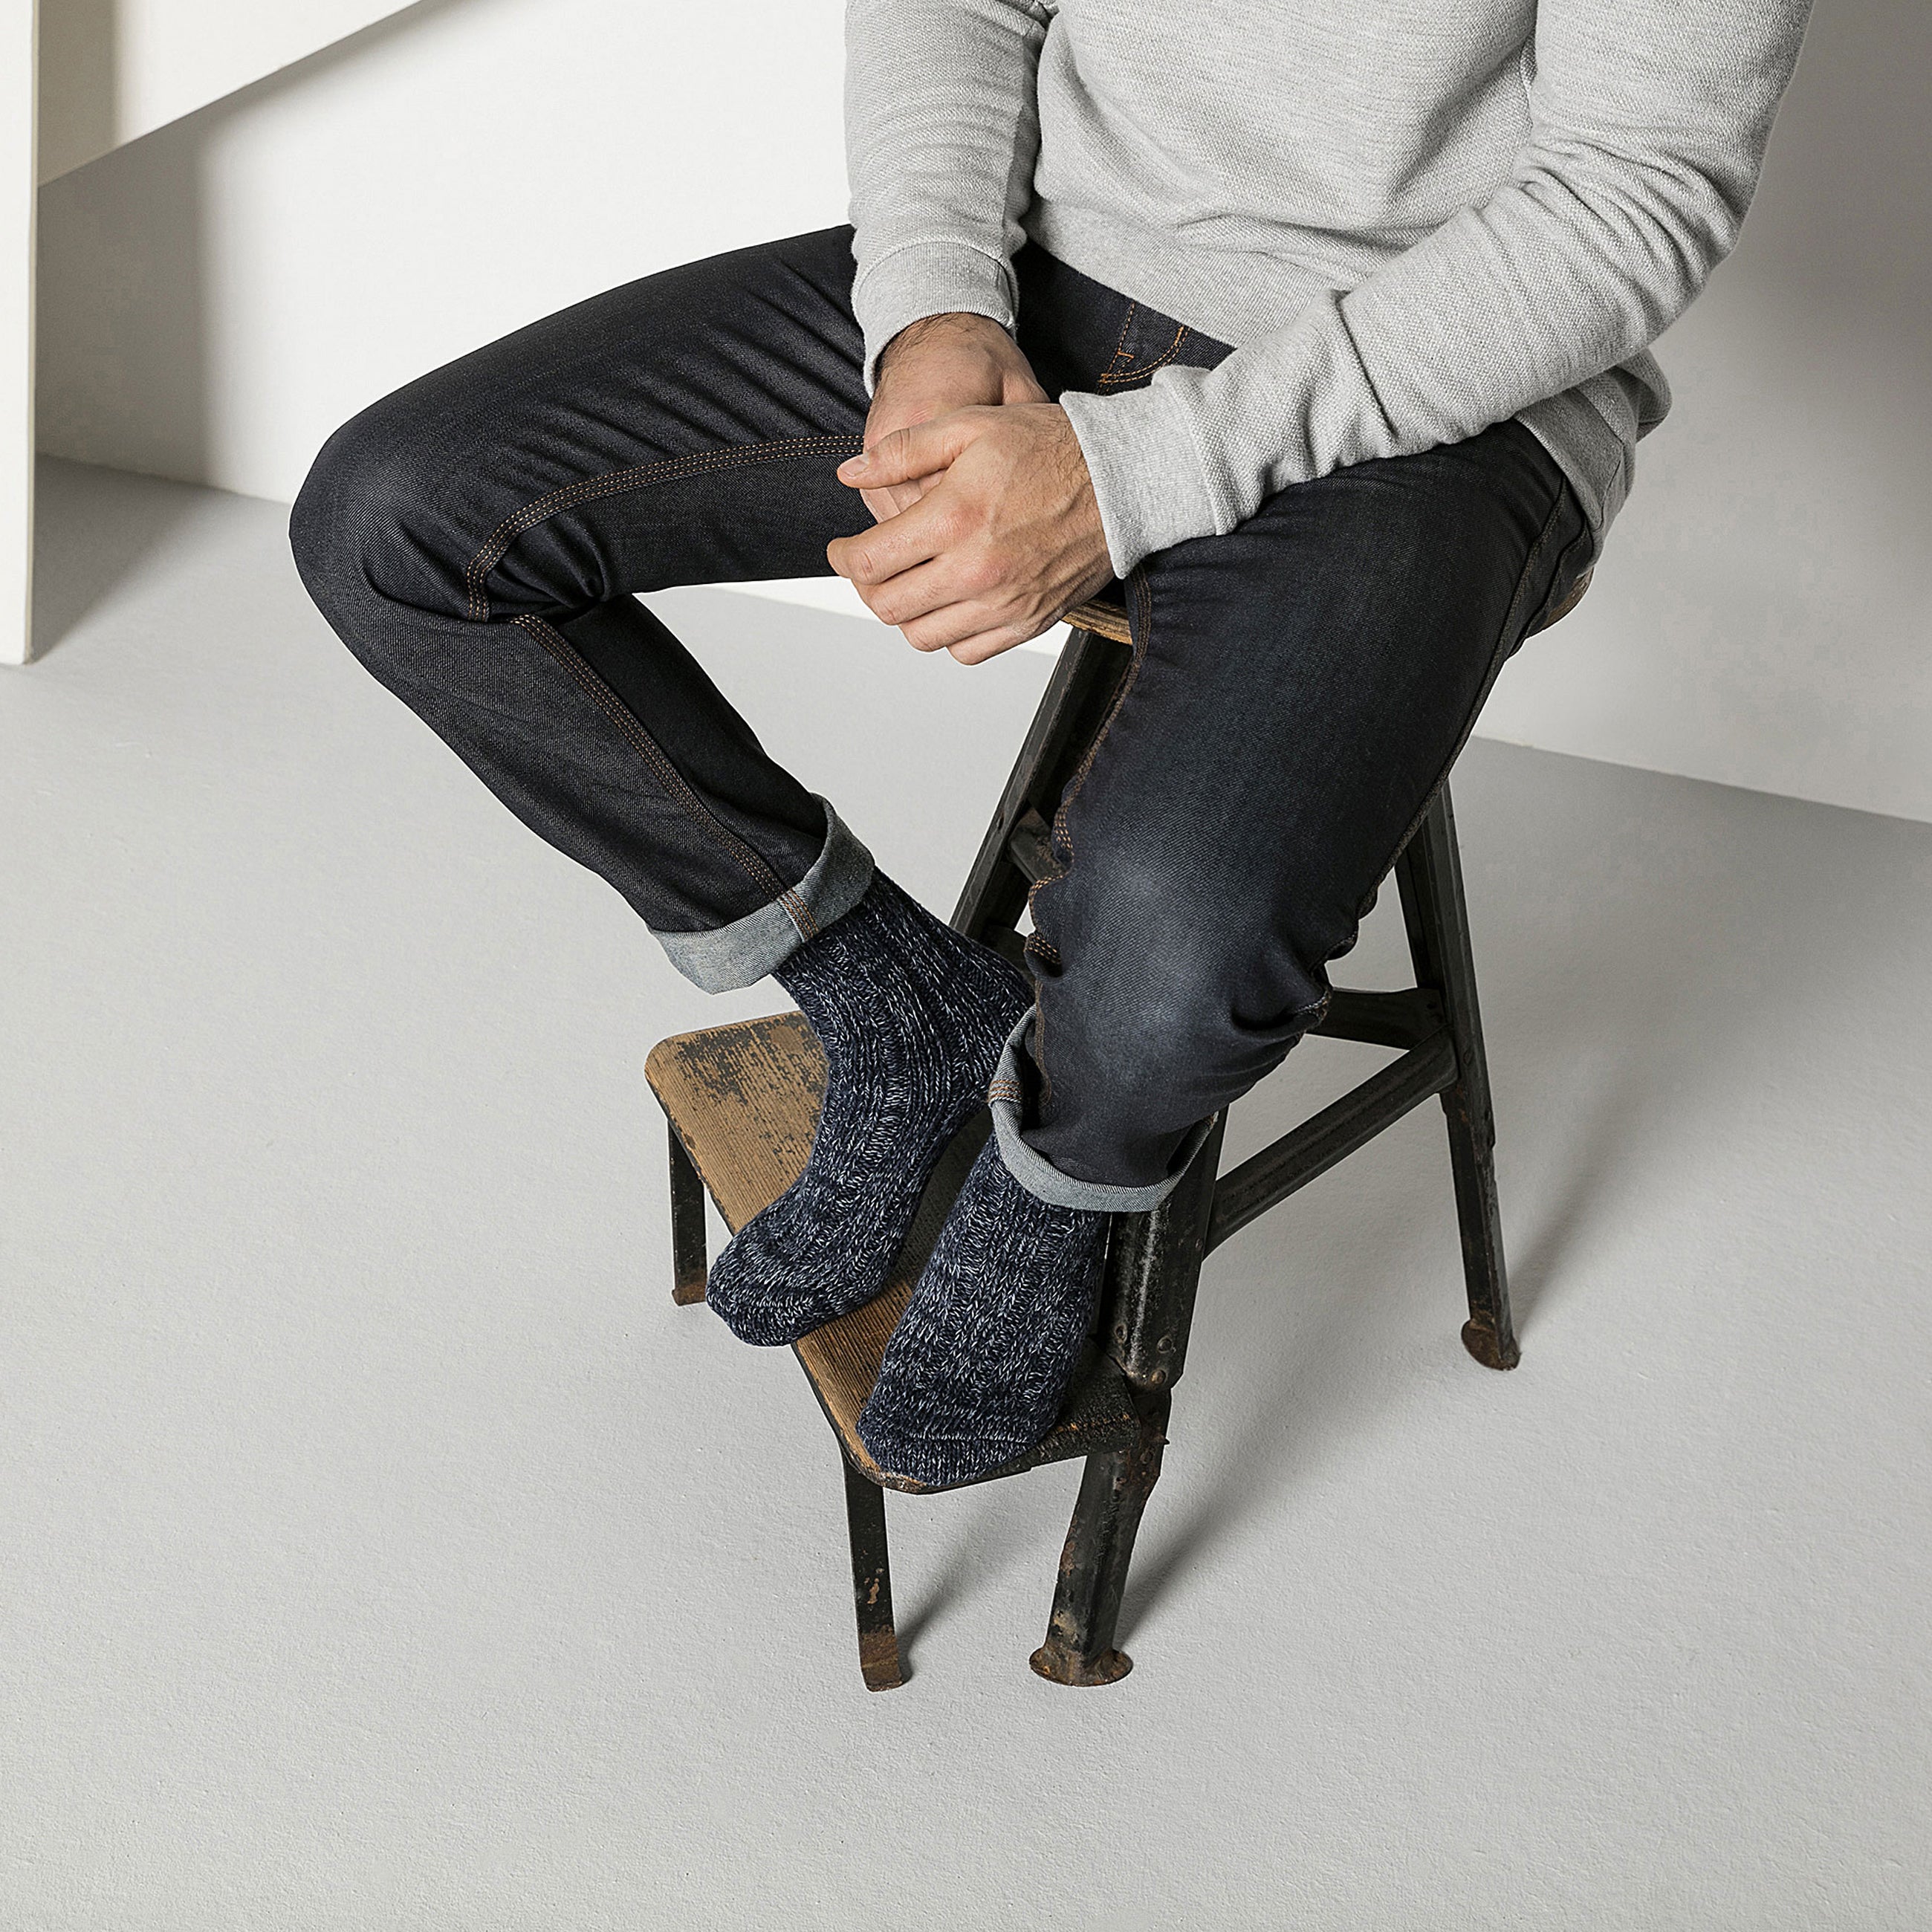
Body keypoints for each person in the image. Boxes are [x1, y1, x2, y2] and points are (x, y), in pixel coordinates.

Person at [290, 0, 1813, 1486]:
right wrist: (936, 310)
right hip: (1057, 281)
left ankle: (1056, 1186)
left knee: (1178, 940)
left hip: (1446, 399)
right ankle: (896, 1000)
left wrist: (1138, 469)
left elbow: (1634, 190)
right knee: (401, 524)